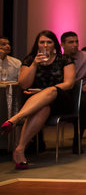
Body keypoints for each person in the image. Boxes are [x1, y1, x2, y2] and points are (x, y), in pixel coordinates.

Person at [1, 30, 76, 169]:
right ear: (37, 44)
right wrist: (35, 64)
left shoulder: (64, 59)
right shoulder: (30, 59)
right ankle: (20, 150)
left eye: (49, 42)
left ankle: (16, 118)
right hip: (36, 104)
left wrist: (44, 91)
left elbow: (69, 84)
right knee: (43, 108)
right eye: (42, 42)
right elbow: (24, 84)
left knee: (52, 90)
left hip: (60, 100)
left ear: (55, 44)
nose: (45, 45)